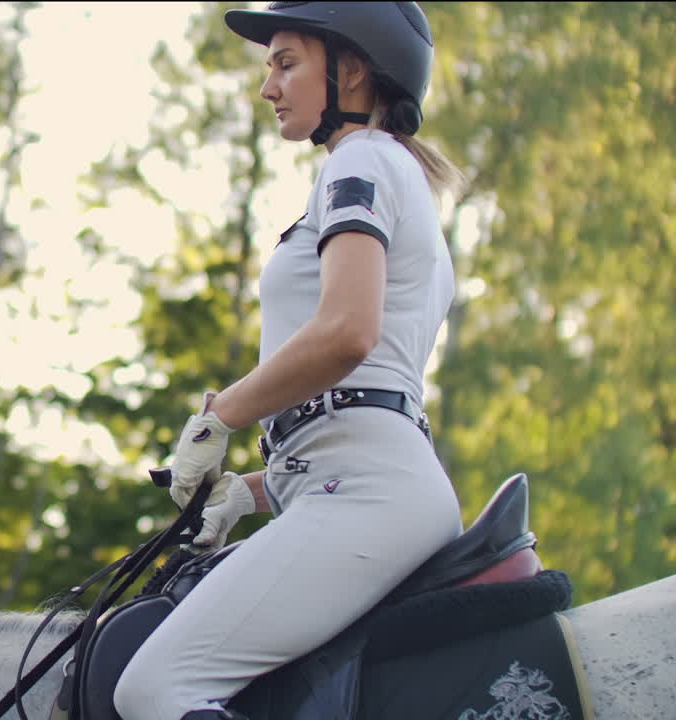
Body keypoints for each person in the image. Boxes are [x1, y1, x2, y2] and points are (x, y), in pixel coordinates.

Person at [112, 3, 469, 719]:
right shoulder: (392, 173)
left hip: (370, 496)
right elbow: (361, 412)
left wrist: (219, 418)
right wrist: (253, 490)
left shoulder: (361, 159)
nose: (268, 86)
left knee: (153, 690)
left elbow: (345, 335)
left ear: (353, 69)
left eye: (285, 63)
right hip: (364, 485)